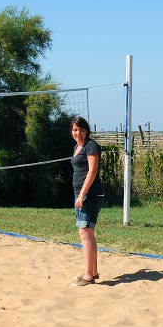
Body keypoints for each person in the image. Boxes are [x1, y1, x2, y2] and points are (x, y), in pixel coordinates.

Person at [70, 116, 103, 285]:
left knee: (84, 232)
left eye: (81, 130)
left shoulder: (91, 145)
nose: (78, 133)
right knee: (87, 233)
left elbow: (92, 171)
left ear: (87, 131)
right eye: (75, 130)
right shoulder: (77, 146)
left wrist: (82, 194)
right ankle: (93, 272)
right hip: (80, 194)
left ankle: (88, 276)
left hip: (90, 194)